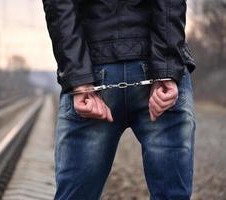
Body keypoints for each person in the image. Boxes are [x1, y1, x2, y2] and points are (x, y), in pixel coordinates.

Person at [42, 0, 196, 199]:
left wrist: (79, 78)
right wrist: (166, 67)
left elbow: (59, 5)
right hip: (157, 67)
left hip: (94, 67)